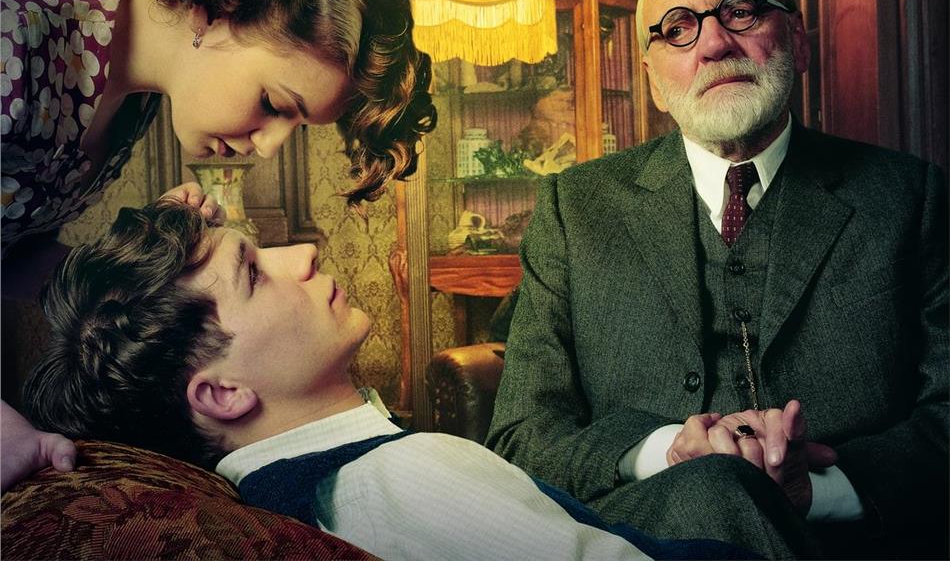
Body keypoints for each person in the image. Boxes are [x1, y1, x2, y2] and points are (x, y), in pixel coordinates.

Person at [486, 0, 948, 559]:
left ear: (798, 42)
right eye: (678, 29)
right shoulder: (576, 208)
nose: (713, 44)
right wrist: (665, 452)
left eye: (740, 11)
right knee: (709, 491)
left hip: (850, 538)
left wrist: (817, 490)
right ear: (652, 80)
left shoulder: (908, 197)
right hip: (639, 535)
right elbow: (521, 437)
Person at [22, 198, 757, 561]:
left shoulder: (307, 486)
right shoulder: (397, 479)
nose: (302, 256)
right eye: (254, 272)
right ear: (221, 393)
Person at [1, 0, 435, 493]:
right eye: (274, 103)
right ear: (216, 9)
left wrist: (148, 270)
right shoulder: (14, 33)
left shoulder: (133, 98)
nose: (269, 146)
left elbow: (9, 257)